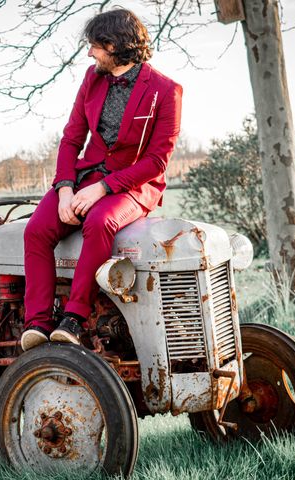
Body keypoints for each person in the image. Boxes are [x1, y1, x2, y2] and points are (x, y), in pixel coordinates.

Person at [21, 8, 183, 351]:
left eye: (95, 45)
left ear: (114, 44)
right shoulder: (91, 79)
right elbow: (71, 139)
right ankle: (37, 321)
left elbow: (156, 161)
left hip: (135, 184)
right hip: (84, 174)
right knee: (36, 230)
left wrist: (104, 188)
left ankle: (74, 318)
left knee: (99, 221)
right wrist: (65, 190)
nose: (90, 52)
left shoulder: (166, 91)